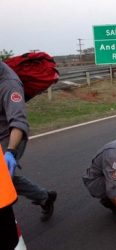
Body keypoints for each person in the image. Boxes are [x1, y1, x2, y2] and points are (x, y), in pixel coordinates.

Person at [0, 61, 57, 222]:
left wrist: (10, 151)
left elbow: (19, 122)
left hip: (10, 136)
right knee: (6, 180)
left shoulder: (10, 84)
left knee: (3, 181)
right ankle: (44, 196)